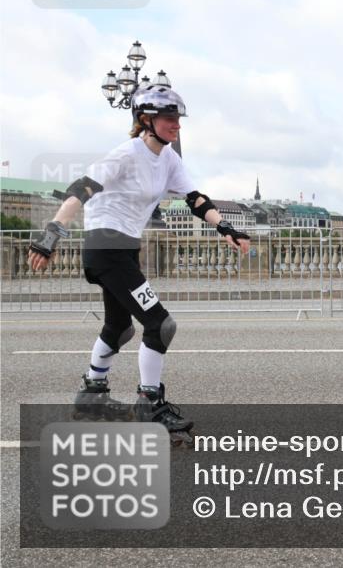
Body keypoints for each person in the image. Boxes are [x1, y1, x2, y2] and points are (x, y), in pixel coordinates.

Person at [27, 84, 250, 441]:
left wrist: (224, 226)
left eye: (178, 117)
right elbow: (80, 189)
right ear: (145, 120)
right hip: (106, 249)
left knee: (120, 327)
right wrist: (51, 234)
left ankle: (91, 396)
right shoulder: (125, 154)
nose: (176, 124)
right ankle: (150, 404)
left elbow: (195, 199)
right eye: (168, 118)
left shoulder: (170, 159)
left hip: (124, 249)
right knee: (160, 324)